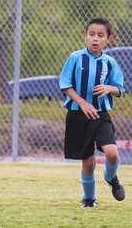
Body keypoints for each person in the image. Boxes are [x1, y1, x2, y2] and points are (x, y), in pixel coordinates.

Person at [59, 17, 125, 208]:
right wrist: (82, 103)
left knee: (112, 154)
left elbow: (119, 88)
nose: (95, 39)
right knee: (88, 162)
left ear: (108, 38)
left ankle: (111, 178)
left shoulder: (110, 62)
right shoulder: (75, 57)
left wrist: (108, 88)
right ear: (86, 35)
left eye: (100, 35)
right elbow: (65, 85)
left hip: (100, 114)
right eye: (92, 34)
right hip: (78, 115)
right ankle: (89, 199)